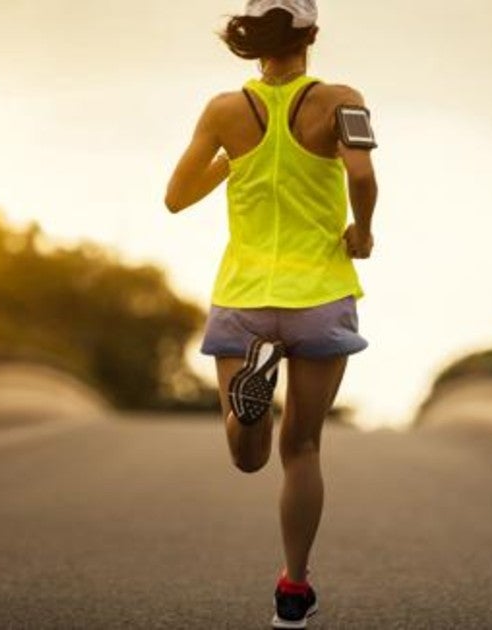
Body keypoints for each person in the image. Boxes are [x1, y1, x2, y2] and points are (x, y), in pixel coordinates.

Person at [164, 1, 378, 627]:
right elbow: (362, 175)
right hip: (318, 295)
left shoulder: (224, 111)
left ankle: (248, 396)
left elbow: (176, 197)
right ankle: (293, 588)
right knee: (303, 448)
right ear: (312, 33)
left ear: (253, 37)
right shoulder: (342, 98)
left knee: (247, 455)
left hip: (244, 296)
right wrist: (361, 232)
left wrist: (239, 158)